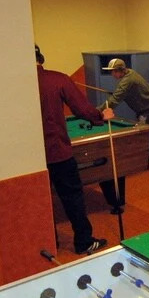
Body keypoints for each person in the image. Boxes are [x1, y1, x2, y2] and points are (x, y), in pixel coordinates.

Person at [36, 44, 114, 254]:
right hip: (58, 151)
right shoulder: (57, 79)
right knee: (72, 197)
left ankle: (48, 243)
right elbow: (81, 108)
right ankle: (84, 242)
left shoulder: (15, 84)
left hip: (29, 159)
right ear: (41, 58)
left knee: (38, 201)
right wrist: (101, 116)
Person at [101, 58, 149, 163]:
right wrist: (117, 94)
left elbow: (114, 101)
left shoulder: (127, 81)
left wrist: (96, 110)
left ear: (120, 70)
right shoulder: (130, 72)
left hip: (148, 108)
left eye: (113, 71)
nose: (112, 74)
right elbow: (125, 92)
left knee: (145, 134)